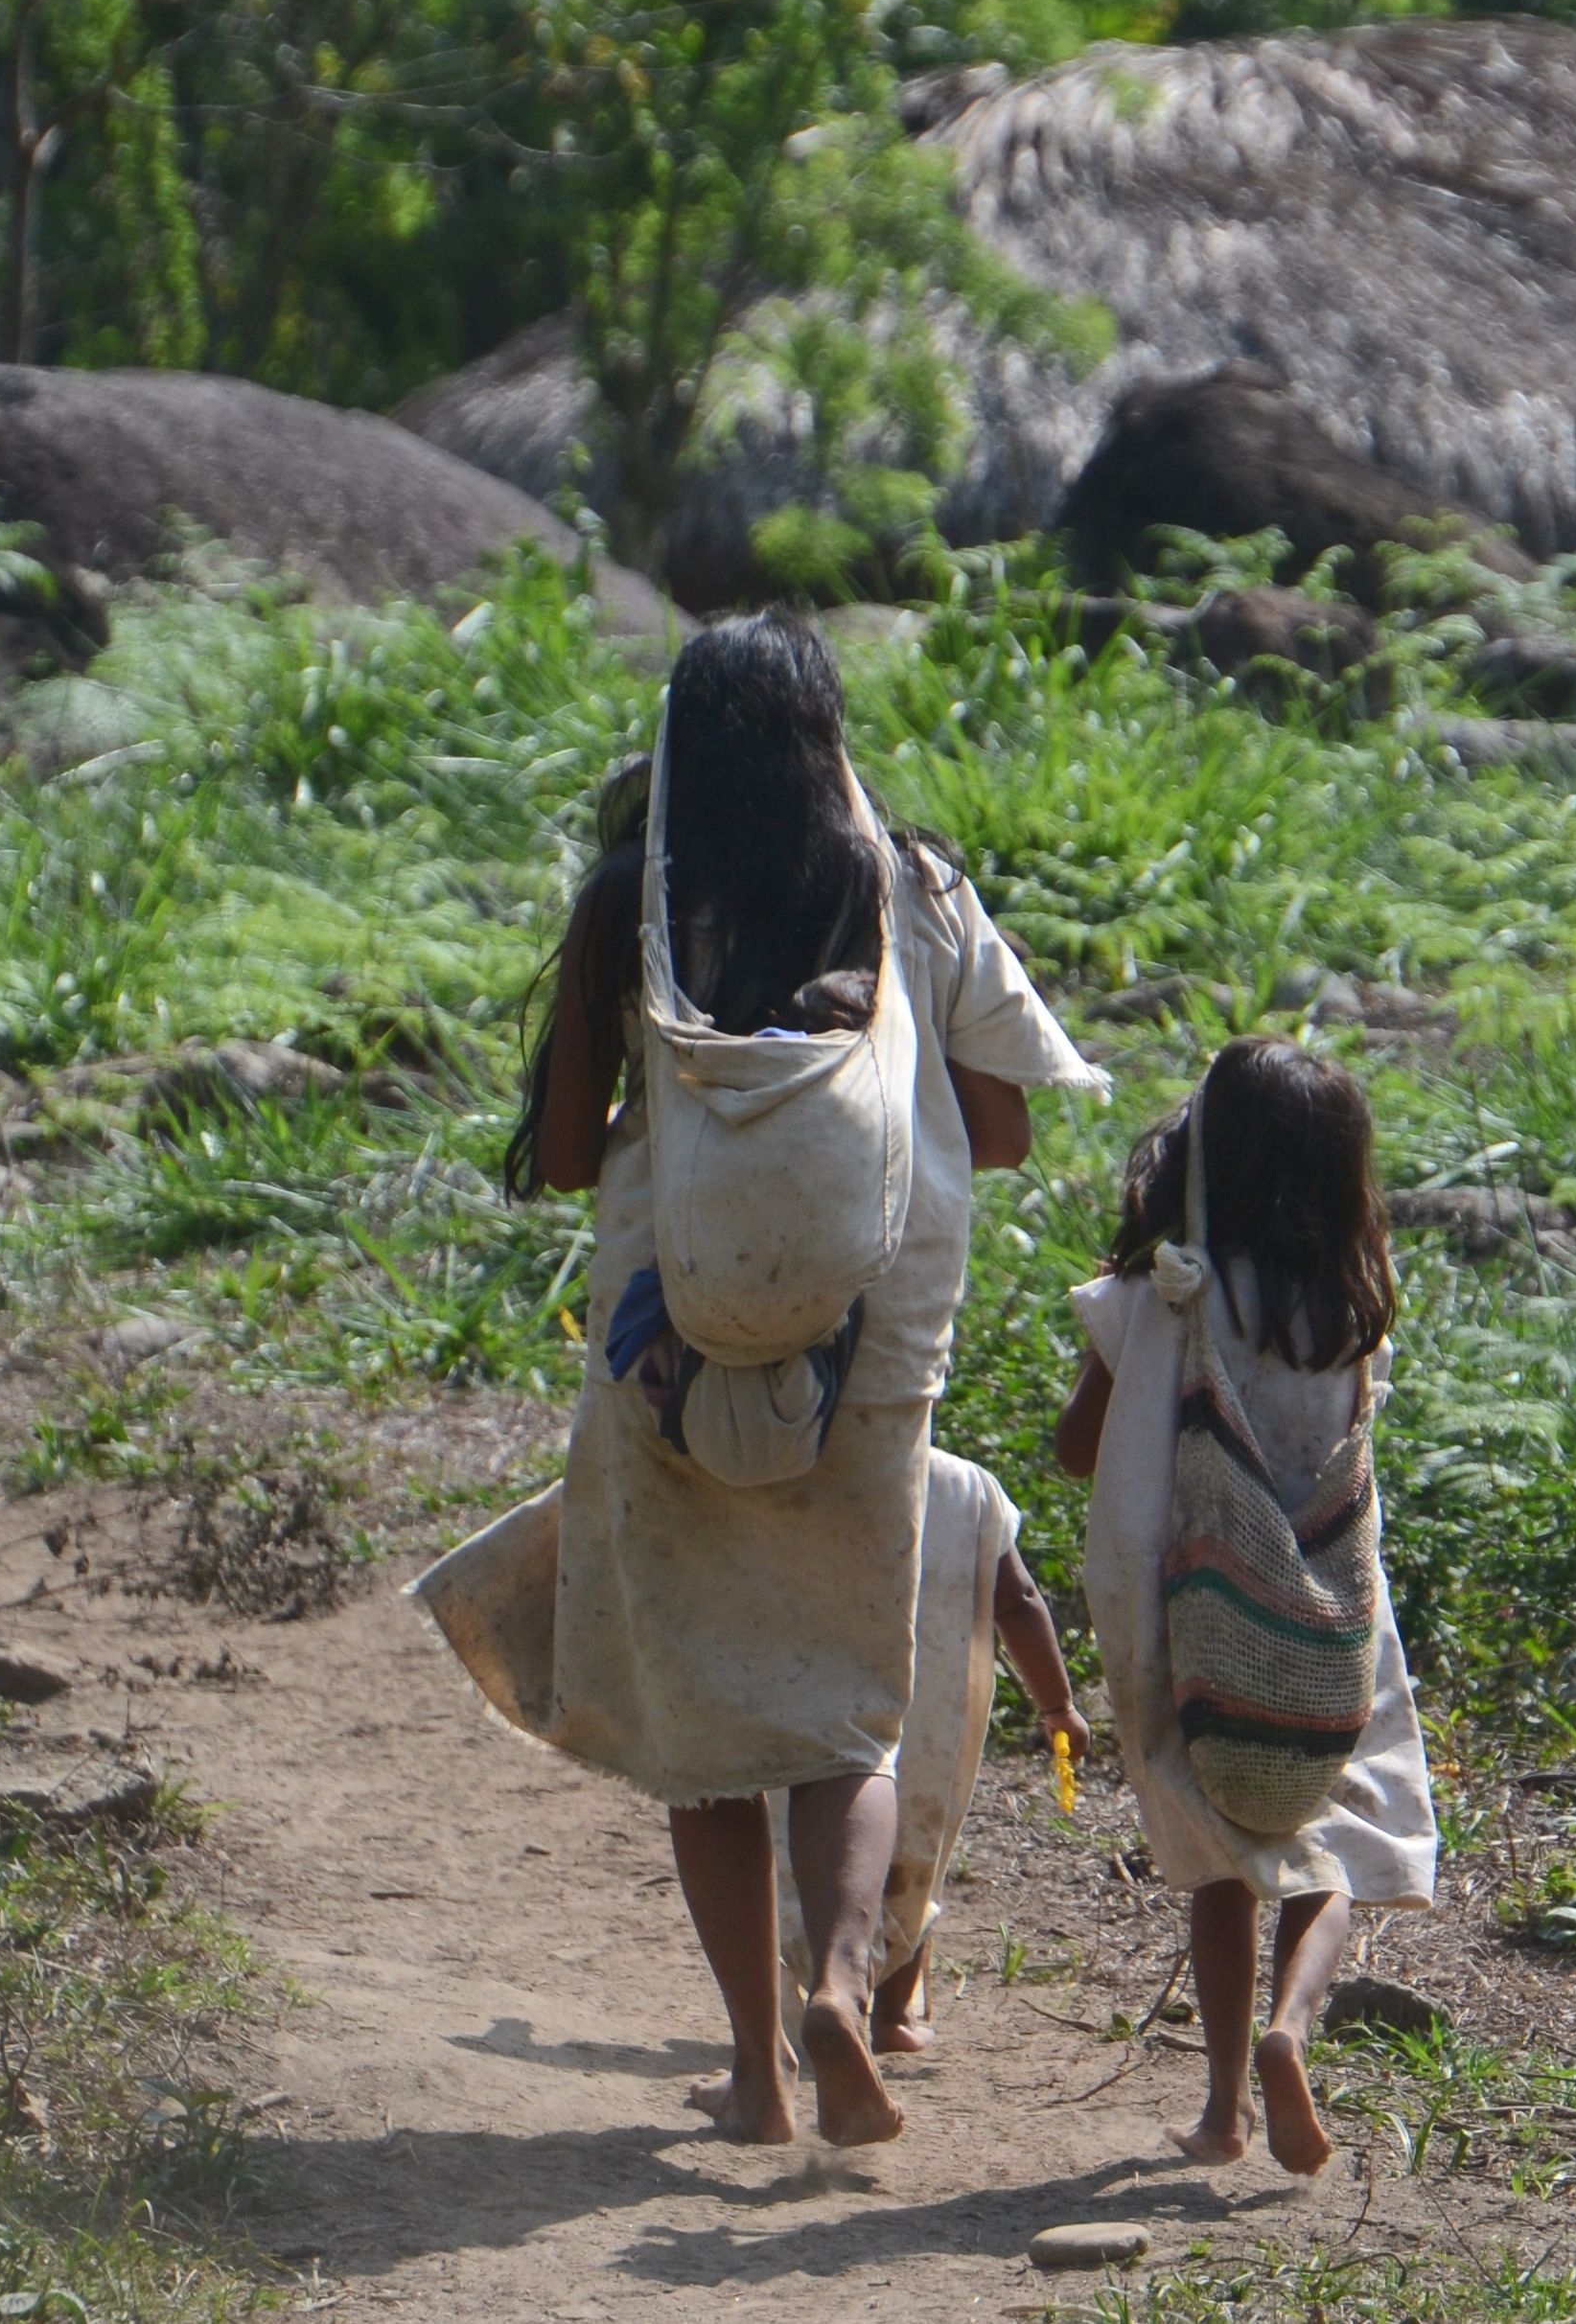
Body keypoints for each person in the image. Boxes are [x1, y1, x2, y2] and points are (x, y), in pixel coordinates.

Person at [489, 612, 1101, 2148]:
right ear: (827, 734)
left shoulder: (633, 904)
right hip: (872, 1355)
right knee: (848, 1719)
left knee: (707, 1736)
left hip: (659, 1348)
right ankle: (844, 1983)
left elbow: (565, 1157)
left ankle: (757, 2072)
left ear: (685, 745)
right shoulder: (913, 887)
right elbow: (1012, 1129)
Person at [1057, 1036, 1435, 2175]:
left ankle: (1222, 2110)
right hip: (1326, 1624)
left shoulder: (1162, 1291)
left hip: (1191, 1625)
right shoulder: (1349, 1311)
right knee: (1334, 1840)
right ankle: (1293, 2029)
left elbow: (1081, 1449)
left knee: (1216, 1859)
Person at [770, 1449, 1084, 2059]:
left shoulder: (804, 1464)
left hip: (815, 1705)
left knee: (796, 1850)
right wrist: (1057, 1706)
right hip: (931, 1721)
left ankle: (796, 2010)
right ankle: (890, 2020)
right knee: (916, 1860)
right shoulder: (967, 1490)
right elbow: (1016, 1600)